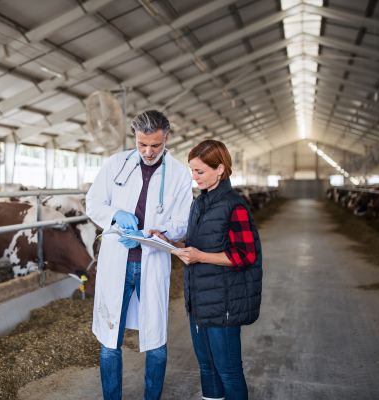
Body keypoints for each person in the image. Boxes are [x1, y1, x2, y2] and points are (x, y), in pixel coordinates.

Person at [86, 110, 193, 400]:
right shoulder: (115, 164)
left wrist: (160, 232)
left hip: (152, 262)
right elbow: (93, 203)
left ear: (166, 138)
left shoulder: (180, 174)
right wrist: (115, 214)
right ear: (135, 137)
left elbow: (183, 222)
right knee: (110, 340)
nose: (148, 152)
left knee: (156, 341)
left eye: (155, 145)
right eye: (142, 144)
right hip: (116, 263)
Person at [151, 139, 262, 400]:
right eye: (192, 170)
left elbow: (246, 255)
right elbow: (196, 245)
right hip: (198, 299)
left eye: (199, 171)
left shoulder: (234, 206)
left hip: (223, 301)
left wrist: (200, 256)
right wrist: (171, 244)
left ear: (220, 169)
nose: (194, 177)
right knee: (207, 368)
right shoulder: (200, 203)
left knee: (229, 370)